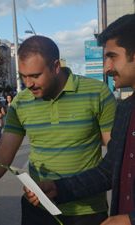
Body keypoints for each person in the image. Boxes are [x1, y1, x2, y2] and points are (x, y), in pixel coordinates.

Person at [0, 35, 117, 225]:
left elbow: (116, 158)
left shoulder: (97, 93)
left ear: (55, 67)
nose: (28, 83)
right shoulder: (20, 103)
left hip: (87, 212)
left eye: (35, 76)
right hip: (38, 211)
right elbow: (2, 157)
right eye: (23, 76)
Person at [24, 14, 135, 225]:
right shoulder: (125, 110)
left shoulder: (100, 95)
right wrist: (58, 188)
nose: (106, 68)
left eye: (113, 57)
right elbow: (108, 170)